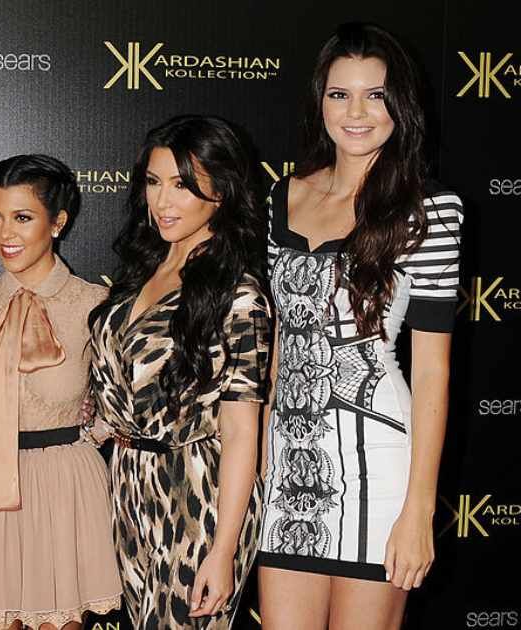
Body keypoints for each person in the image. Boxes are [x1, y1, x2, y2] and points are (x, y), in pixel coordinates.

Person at [257, 23, 462, 630]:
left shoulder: (430, 210)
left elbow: (432, 370)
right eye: (340, 94)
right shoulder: (281, 198)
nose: (356, 113)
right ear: (319, 102)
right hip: (287, 466)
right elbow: (276, 345)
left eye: (375, 95)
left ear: (400, 105)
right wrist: (264, 455)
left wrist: (419, 509)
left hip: (381, 465)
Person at [0, 154, 123, 630]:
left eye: (22, 218)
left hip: (61, 489)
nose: (4, 234)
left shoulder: (93, 304)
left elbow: (126, 400)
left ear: (58, 222)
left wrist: (90, 435)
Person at [87, 115, 269, 629]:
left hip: (196, 493)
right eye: (154, 182)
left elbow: (241, 432)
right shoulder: (142, 269)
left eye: (183, 186)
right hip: (128, 484)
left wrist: (223, 549)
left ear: (221, 192)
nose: (162, 201)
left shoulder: (239, 294)